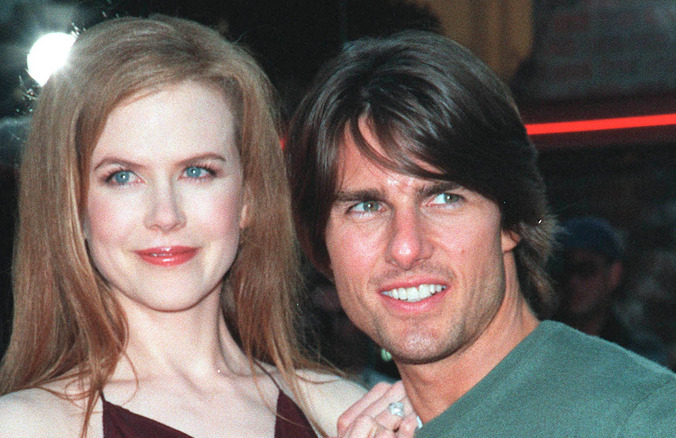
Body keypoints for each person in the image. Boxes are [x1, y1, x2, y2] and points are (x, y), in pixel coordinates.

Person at [0, 15, 406, 438]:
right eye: (122, 177)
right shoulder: (29, 427)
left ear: (248, 198)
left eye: (197, 172)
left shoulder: (340, 413)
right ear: (74, 207)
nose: (165, 215)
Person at [286, 31, 676, 437]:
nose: (405, 247)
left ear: (511, 221)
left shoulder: (637, 421)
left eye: (444, 198)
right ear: (323, 245)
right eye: (366, 207)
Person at [555, 216, 668, 364]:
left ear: (614, 274)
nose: (573, 281)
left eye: (587, 269)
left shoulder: (640, 353)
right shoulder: (545, 344)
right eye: (567, 270)